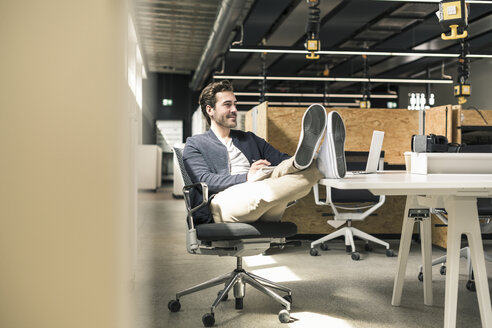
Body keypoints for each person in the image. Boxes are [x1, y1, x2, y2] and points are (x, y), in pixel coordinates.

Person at [183, 80, 346, 226]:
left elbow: (282, 160)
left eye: (235, 103)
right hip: (223, 204)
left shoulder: (249, 139)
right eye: (227, 104)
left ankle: (319, 163)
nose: (234, 109)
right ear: (210, 110)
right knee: (272, 187)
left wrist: (290, 166)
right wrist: (248, 177)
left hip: (267, 202)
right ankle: (322, 166)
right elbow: (205, 180)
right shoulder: (195, 144)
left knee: (297, 168)